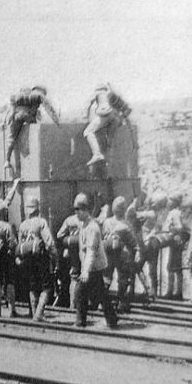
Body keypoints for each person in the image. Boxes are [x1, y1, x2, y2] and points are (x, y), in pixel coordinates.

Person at [73, 193, 118, 328]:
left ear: (85, 210)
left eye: (78, 210)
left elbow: (91, 251)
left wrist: (85, 271)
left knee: (80, 292)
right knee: (101, 294)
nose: (76, 213)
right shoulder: (84, 225)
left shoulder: (92, 228)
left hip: (93, 266)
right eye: (75, 210)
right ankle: (112, 319)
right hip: (92, 266)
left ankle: (80, 322)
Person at [17, 195, 57, 321]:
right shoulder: (41, 222)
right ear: (37, 208)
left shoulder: (23, 225)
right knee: (47, 286)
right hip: (41, 259)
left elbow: (20, 244)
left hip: (27, 259)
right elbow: (49, 243)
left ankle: (34, 313)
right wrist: (55, 258)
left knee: (33, 286)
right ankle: (39, 314)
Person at [3, 85, 59, 170]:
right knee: (34, 131)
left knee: (11, 138)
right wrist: (57, 121)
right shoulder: (38, 95)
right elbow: (49, 108)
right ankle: (32, 155)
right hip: (27, 115)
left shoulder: (21, 94)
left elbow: (11, 108)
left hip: (16, 115)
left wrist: (6, 120)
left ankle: (7, 161)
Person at [101, 197, 139, 312]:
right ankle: (121, 302)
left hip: (108, 253)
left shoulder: (107, 222)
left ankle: (102, 302)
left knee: (106, 277)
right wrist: (136, 250)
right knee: (122, 278)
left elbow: (104, 235)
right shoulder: (126, 224)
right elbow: (132, 241)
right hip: (122, 254)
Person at [83, 83, 132, 166]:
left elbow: (89, 111)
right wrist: (121, 118)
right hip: (115, 119)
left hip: (104, 118)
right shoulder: (113, 95)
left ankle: (97, 154)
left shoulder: (97, 96)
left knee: (87, 132)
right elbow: (128, 110)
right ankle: (107, 161)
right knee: (109, 142)